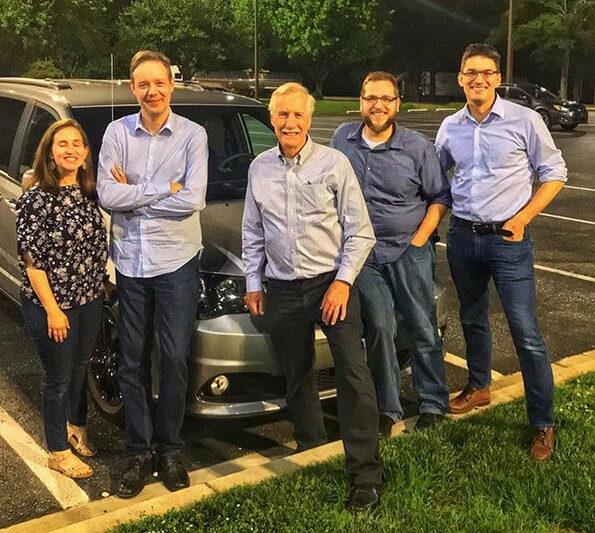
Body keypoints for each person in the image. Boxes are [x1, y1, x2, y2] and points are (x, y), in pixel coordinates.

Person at [242, 82, 382, 512]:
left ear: (309, 119)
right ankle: (312, 450)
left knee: (353, 375)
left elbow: (360, 231)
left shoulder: (334, 163)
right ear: (272, 118)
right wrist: (253, 282)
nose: (289, 122)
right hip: (282, 288)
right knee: (297, 375)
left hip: (330, 284)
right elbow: (252, 231)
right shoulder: (259, 168)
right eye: (282, 114)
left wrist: (342, 283)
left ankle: (365, 474)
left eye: (297, 115)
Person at [435, 43, 567, 462]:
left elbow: (554, 172)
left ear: (497, 78)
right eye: (471, 72)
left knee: (525, 333)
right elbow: (435, 179)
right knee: (471, 318)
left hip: (508, 241)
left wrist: (524, 217)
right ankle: (478, 387)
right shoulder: (450, 126)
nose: (479, 79)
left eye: (487, 72)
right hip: (463, 237)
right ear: (460, 77)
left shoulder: (524, 120)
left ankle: (542, 423)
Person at [97, 50, 208, 497]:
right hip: (129, 261)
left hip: (176, 261)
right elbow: (107, 193)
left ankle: (169, 449)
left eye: (159, 83)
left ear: (171, 85)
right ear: (132, 88)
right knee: (132, 359)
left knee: (176, 358)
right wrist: (165, 188)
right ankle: (139, 452)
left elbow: (194, 198)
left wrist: (134, 192)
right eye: (143, 84)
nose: (152, 91)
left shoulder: (192, 135)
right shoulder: (116, 132)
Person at [331, 72, 451, 436]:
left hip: (408, 250)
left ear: (397, 104)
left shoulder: (417, 147)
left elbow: (440, 197)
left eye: (386, 99)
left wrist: (420, 239)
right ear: (361, 101)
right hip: (363, 253)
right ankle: (389, 407)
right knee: (381, 326)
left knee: (421, 326)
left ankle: (432, 402)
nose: (378, 105)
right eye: (371, 98)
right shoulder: (342, 139)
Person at [16, 119, 108, 479]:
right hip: (52, 306)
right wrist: (53, 310)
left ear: (85, 153)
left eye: (76, 143)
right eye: (61, 144)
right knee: (58, 378)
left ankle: (76, 430)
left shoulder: (89, 193)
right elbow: (32, 262)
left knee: (80, 370)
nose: (69, 149)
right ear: (50, 154)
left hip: (88, 300)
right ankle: (57, 450)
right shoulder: (36, 199)